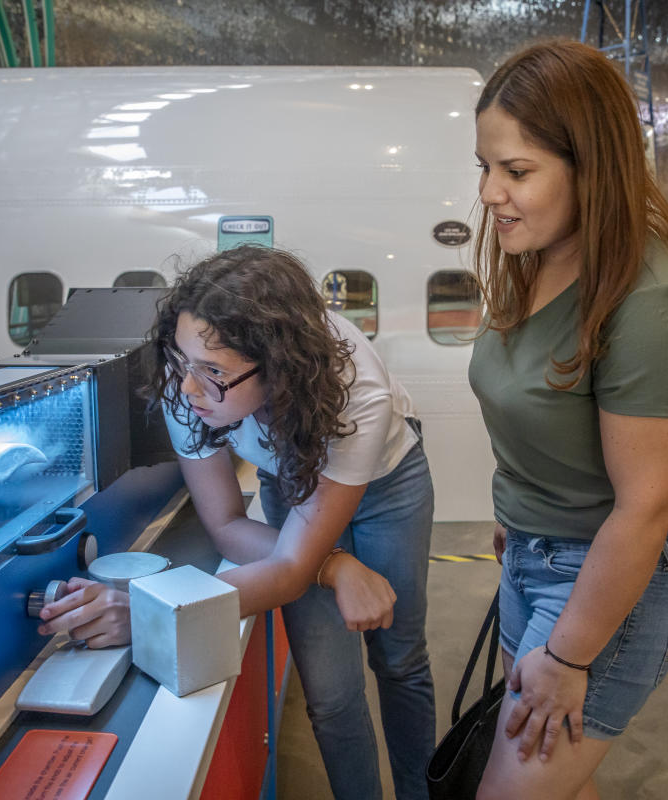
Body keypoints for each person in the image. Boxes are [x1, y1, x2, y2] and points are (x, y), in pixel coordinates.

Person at [37, 244, 436, 800]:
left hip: (387, 480)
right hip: (290, 469)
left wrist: (149, 614)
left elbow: (293, 567)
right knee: (329, 690)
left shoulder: (355, 394)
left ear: (279, 366)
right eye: (180, 362)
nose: (187, 389)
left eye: (213, 372)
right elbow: (225, 523)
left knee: (399, 656)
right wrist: (338, 564)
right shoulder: (189, 387)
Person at [467, 41, 668, 799]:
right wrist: (524, 509)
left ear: (595, 168)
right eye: (484, 167)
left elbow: (650, 506)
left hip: (611, 582)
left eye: (517, 171)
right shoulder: (536, 259)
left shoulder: (653, 304)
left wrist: (571, 656)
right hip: (533, 557)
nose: (489, 194)